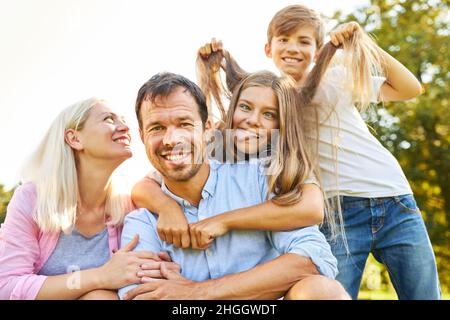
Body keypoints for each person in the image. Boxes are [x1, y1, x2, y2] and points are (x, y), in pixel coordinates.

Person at [204, 5, 439, 300]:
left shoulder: (338, 79)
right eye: (284, 39)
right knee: (331, 293)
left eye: (304, 41)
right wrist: (212, 72)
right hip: (336, 215)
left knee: (424, 294)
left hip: (393, 200)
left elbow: (410, 88)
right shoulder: (274, 102)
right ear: (268, 48)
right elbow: (225, 143)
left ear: (317, 50)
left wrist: (363, 43)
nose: (293, 48)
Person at [118, 72, 349, 300]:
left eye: (185, 124)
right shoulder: (144, 219)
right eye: (156, 128)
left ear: (207, 129)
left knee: (320, 291)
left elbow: (313, 257)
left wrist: (197, 292)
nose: (171, 140)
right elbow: (139, 296)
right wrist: (167, 208)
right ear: (142, 136)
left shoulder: (263, 178)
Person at [131, 50, 330, 251]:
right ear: (233, 108)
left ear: (282, 124)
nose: (253, 120)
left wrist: (224, 221)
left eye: (269, 114)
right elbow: (143, 187)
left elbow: (312, 208)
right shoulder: (213, 144)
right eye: (245, 107)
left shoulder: (279, 160)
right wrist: (168, 208)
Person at [0, 97, 179, 300]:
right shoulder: (31, 199)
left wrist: (160, 264)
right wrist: (100, 276)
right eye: (109, 119)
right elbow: (7, 286)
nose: (125, 127)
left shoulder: (129, 206)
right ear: (74, 138)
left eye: (122, 120)